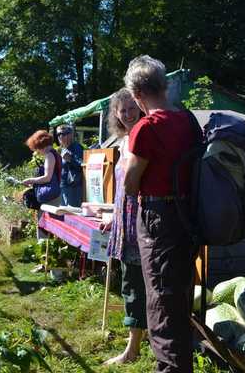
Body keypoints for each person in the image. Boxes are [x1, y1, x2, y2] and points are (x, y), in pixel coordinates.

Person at [123, 55, 200, 373]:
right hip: (190, 215)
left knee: (159, 297)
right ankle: (183, 363)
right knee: (179, 293)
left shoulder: (145, 128)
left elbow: (130, 182)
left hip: (158, 216)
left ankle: (170, 369)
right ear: (164, 85)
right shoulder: (188, 120)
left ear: (137, 94)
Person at [102, 88, 146, 364]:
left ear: (140, 108)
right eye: (123, 110)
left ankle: (133, 348)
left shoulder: (143, 135)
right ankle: (137, 340)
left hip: (140, 221)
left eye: (132, 108)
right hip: (125, 220)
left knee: (136, 284)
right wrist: (113, 215)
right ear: (116, 114)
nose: (128, 114)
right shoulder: (123, 140)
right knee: (132, 281)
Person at [22, 130, 62, 240]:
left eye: (36, 148)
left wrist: (31, 180)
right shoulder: (55, 153)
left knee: (43, 224)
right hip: (55, 194)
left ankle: (43, 248)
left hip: (50, 196)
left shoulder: (49, 156)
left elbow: (47, 177)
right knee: (51, 225)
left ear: (40, 145)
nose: (37, 152)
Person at [56, 125, 83, 207]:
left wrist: (70, 159)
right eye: (58, 134)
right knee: (64, 213)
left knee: (72, 214)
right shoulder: (64, 149)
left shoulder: (76, 147)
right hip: (64, 186)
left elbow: (83, 165)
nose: (61, 136)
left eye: (64, 133)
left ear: (71, 134)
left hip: (73, 188)